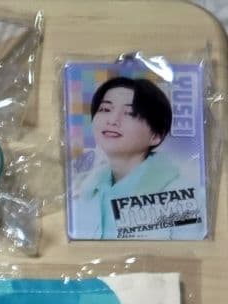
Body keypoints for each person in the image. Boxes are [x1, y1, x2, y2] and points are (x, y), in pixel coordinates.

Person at [73, 76, 192, 238]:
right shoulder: (86, 193)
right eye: (105, 109)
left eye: (130, 113)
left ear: (156, 135)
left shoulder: (180, 195)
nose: (112, 120)